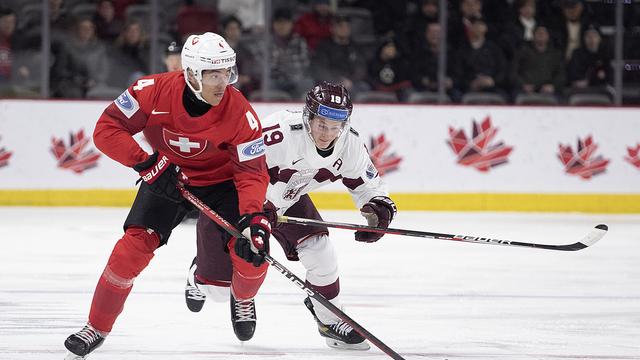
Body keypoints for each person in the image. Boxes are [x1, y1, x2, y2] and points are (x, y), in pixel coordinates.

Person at [63, 32, 272, 359]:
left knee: (252, 253)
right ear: (190, 73)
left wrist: (253, 218)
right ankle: (96, 327)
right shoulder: (151, 91)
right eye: (212, 74)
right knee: (128, 252)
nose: (222, 82)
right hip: (165, 177)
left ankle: (243, 296)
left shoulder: (241, 113)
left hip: (222, 185)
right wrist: (145, 163)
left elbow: (252, 171)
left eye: (226, 73)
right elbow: (107, 129)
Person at [184, 82, 397, 350]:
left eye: (335, 126)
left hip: (287, 198)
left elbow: (368, 184)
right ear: (308, 116)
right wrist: (260, 208)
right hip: (238, 200)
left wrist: (378, 209)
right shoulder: (279, 134)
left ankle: (329, 320)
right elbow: (240, 171)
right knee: (217, 290)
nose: (328, 134)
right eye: (322, 125)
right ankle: (199, 276)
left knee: (320, 250)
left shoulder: (349, 142)